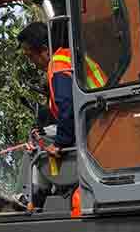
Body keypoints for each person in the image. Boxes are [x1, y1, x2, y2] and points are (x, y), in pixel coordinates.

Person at [16, 21, 105, 152]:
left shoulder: (58, 65)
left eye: (31, 56)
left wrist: (59, 143)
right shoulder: (68, 55)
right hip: (101, 118)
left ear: (45, 50)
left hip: (99, 124)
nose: (32, 62)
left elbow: (66, 103)